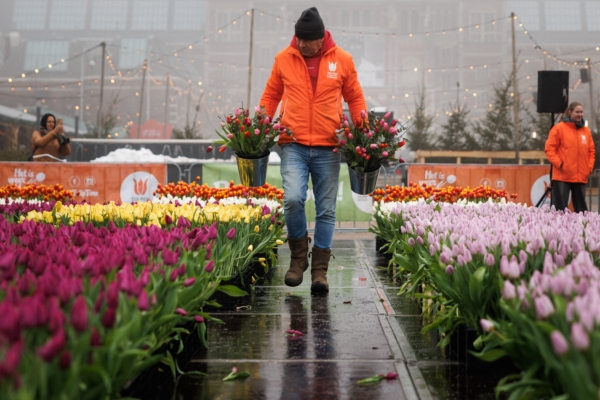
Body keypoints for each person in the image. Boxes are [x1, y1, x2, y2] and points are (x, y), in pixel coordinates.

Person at [260, 7, 366, 293]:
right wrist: (258, 124)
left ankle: (320, 270)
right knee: (293, 198)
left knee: (326, 210)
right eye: (298, 38)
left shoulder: (342, 60)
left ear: (321, 39)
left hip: (329, 146)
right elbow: (271, 94)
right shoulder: (284, 58)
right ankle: (298, 260)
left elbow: (354, 97)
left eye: (306, 40)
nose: (301, 44)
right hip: (292, 143)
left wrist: (362, 132)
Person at [545, 101, 595, 212]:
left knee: (582, 211)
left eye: (581, 112)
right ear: (570, 112)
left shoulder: (586, 131)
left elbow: (591, 152)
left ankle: (583, 229)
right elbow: (549, 149)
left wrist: (589, 167)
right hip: (562, 176)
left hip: (581, 176)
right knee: (560, 211)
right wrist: (560, 164)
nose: (580, 114)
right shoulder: (558, 128)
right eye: (577, 112)